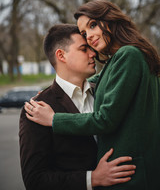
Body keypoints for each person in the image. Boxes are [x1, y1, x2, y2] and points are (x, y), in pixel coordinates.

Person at [25, 0, 160, 189]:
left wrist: (55, 120)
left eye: (93, 25)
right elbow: (100, 81)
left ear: (110, 19)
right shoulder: (118, 61)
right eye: (83, 33)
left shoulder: (128, 55)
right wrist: (51, 92)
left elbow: (105, 119)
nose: (89, 37)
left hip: (132, 176)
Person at [21, 23, 136, 190]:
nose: (93, 53)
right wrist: (92, 179)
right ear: (61, 55)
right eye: (84, 49)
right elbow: (35, 180)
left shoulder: (104, 92)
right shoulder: (37, 109)